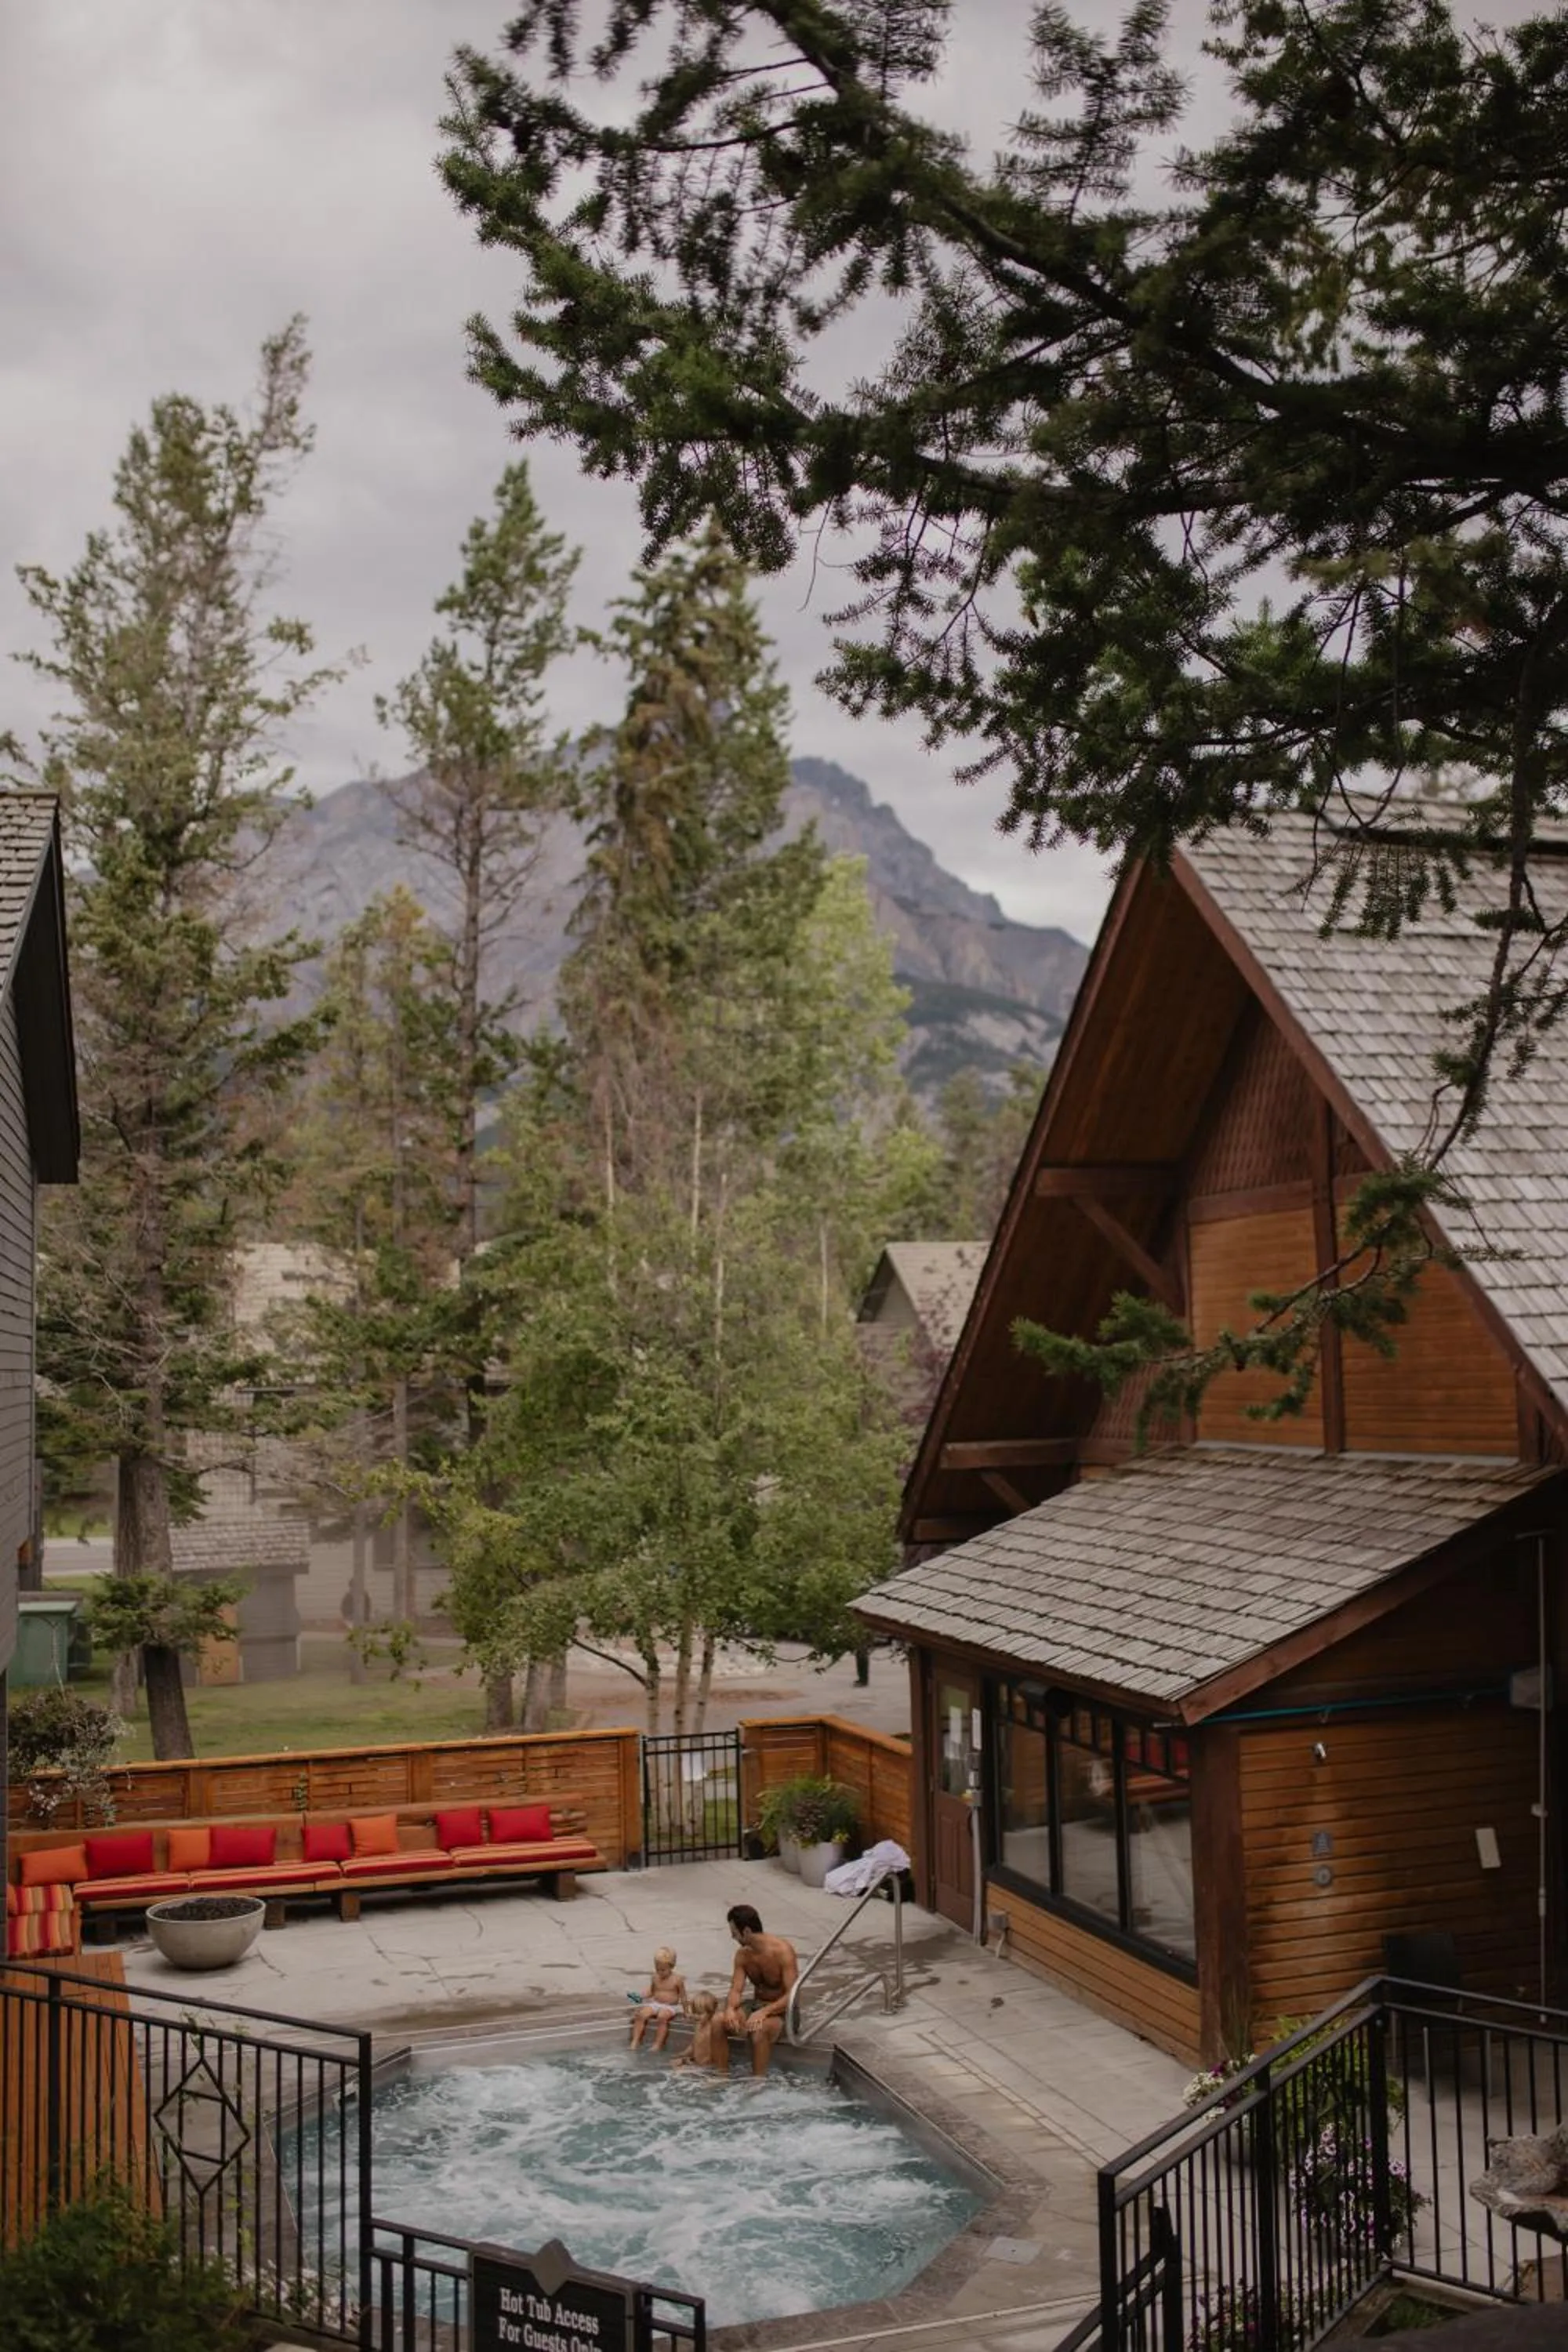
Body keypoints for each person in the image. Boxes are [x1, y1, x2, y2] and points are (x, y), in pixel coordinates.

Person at [719, 1904, 798, 2078]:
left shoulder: (783, 1951)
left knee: (759, 2029)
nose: (732, 1936)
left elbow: (792, 1996)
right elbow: (736, 1989)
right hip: (757, 2006)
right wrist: (730, 2009)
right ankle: (722, 2075)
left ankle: (758, 2082)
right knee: (719, 2020)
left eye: (734, 1932)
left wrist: (764, 2012)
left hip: (783, 2012)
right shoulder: (743, 1955)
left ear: (746, 1931)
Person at [630, 1946, 687, 2050]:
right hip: (655, 2003)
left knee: (662, 2017)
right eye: (658, 1969)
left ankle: (657, 2044)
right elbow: (652, 1991)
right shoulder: (655, 1977)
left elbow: (683, 1996)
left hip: (670, 2007)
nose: (660, 1972)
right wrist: (640, 1997)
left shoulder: (677, 1980)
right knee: (641, 2015)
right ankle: (635, 2041)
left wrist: (686, 2011)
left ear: (672, 1966)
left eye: (663, 1970)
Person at [673, 1990, 731, 2075]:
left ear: (711, 2012)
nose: (696, 2016)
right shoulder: (698, 2026)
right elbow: (694, 2045)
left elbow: (717, 2049)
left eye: (700, 2013)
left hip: (709, 2066)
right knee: (674, 2065)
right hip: (698, 2064)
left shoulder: (712, 2027)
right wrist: (683, 2055)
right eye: (694, 2012)